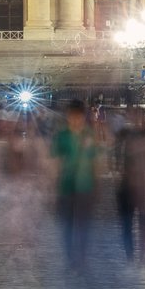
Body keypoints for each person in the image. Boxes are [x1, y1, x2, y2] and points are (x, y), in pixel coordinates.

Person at [52, 99, 99, 271]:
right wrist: (54, 186)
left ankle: (82, 256)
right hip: (66, 186)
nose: (75, 120)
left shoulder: (89, 135)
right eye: (72, 116)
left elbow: (95, 160)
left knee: (83, 224)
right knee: (67, 225)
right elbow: (56, 163)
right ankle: (70, 256)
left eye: (78, 116)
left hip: (85, 187)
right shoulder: (62, 136)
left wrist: (96, 184)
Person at [113, 115, 145, 262]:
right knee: (129, 223)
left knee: (138, 222)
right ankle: (131, 255)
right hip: (129, 187)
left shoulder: (141, 141)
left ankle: (138, 255)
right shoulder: (126, 141)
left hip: (138, 187)